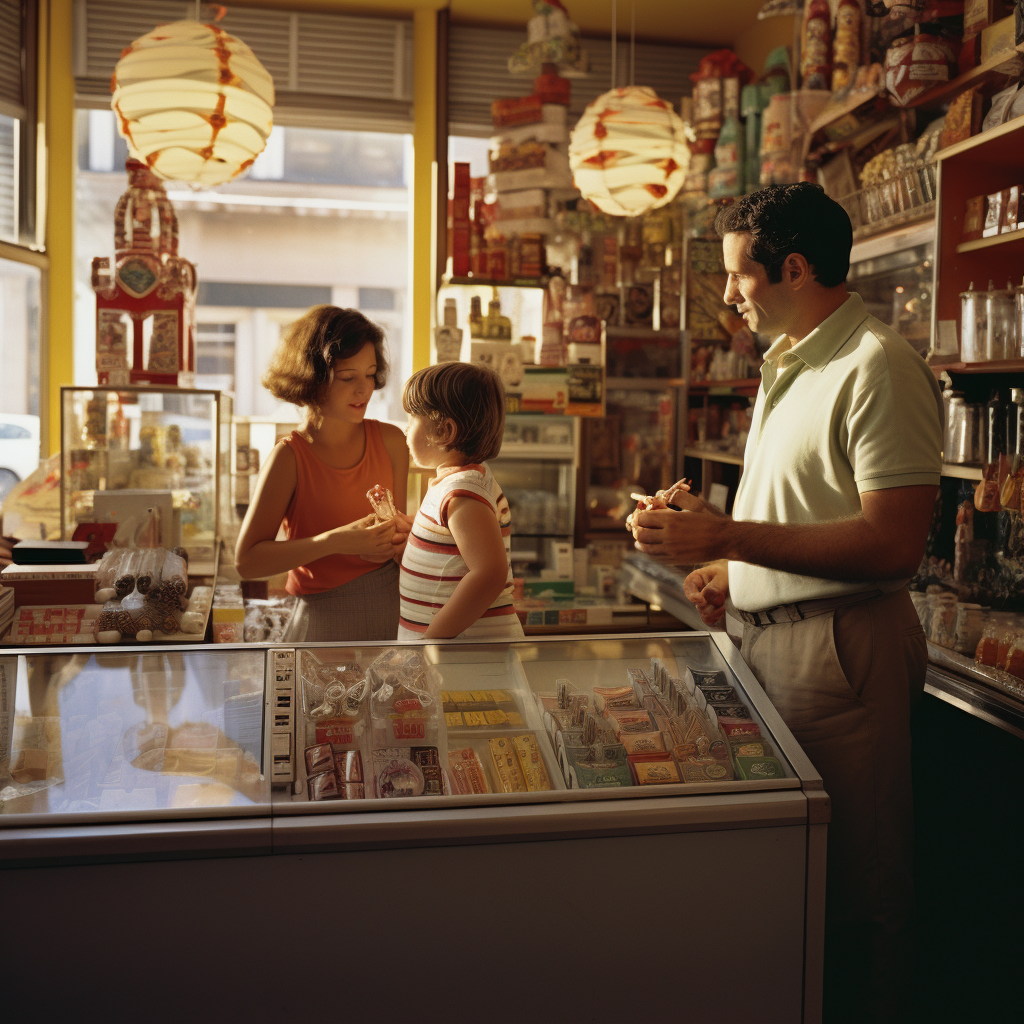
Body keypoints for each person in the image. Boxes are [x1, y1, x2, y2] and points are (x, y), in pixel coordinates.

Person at [630, 183, 942, 1023]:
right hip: (767, 645)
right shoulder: (785, 360)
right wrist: (728, 576)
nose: (730, 295)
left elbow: (892, 542)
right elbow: (802, 516)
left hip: (840, 654)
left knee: (857, 888)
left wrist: (727, 540)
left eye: (740, 275)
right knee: (783, 876)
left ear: (794, 268)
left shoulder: (878, 364)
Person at [235, 306, 411, 642]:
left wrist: (394, 542)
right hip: (320, 618)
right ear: (312, 380)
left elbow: (398, 539)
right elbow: (247, 562)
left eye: (371, 374)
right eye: (348, 377)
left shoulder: (392, 442)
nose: (364, 390)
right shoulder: (289, 457)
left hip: (392, 609)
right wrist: (333, 542)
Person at [397, 362, 524, 641]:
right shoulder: (462, 484)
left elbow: (490, 572)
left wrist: (432, 641)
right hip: (460, 655)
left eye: (411, 421)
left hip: (468, 655)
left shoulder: (462, 493)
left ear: (444, 432)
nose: (406, 431)